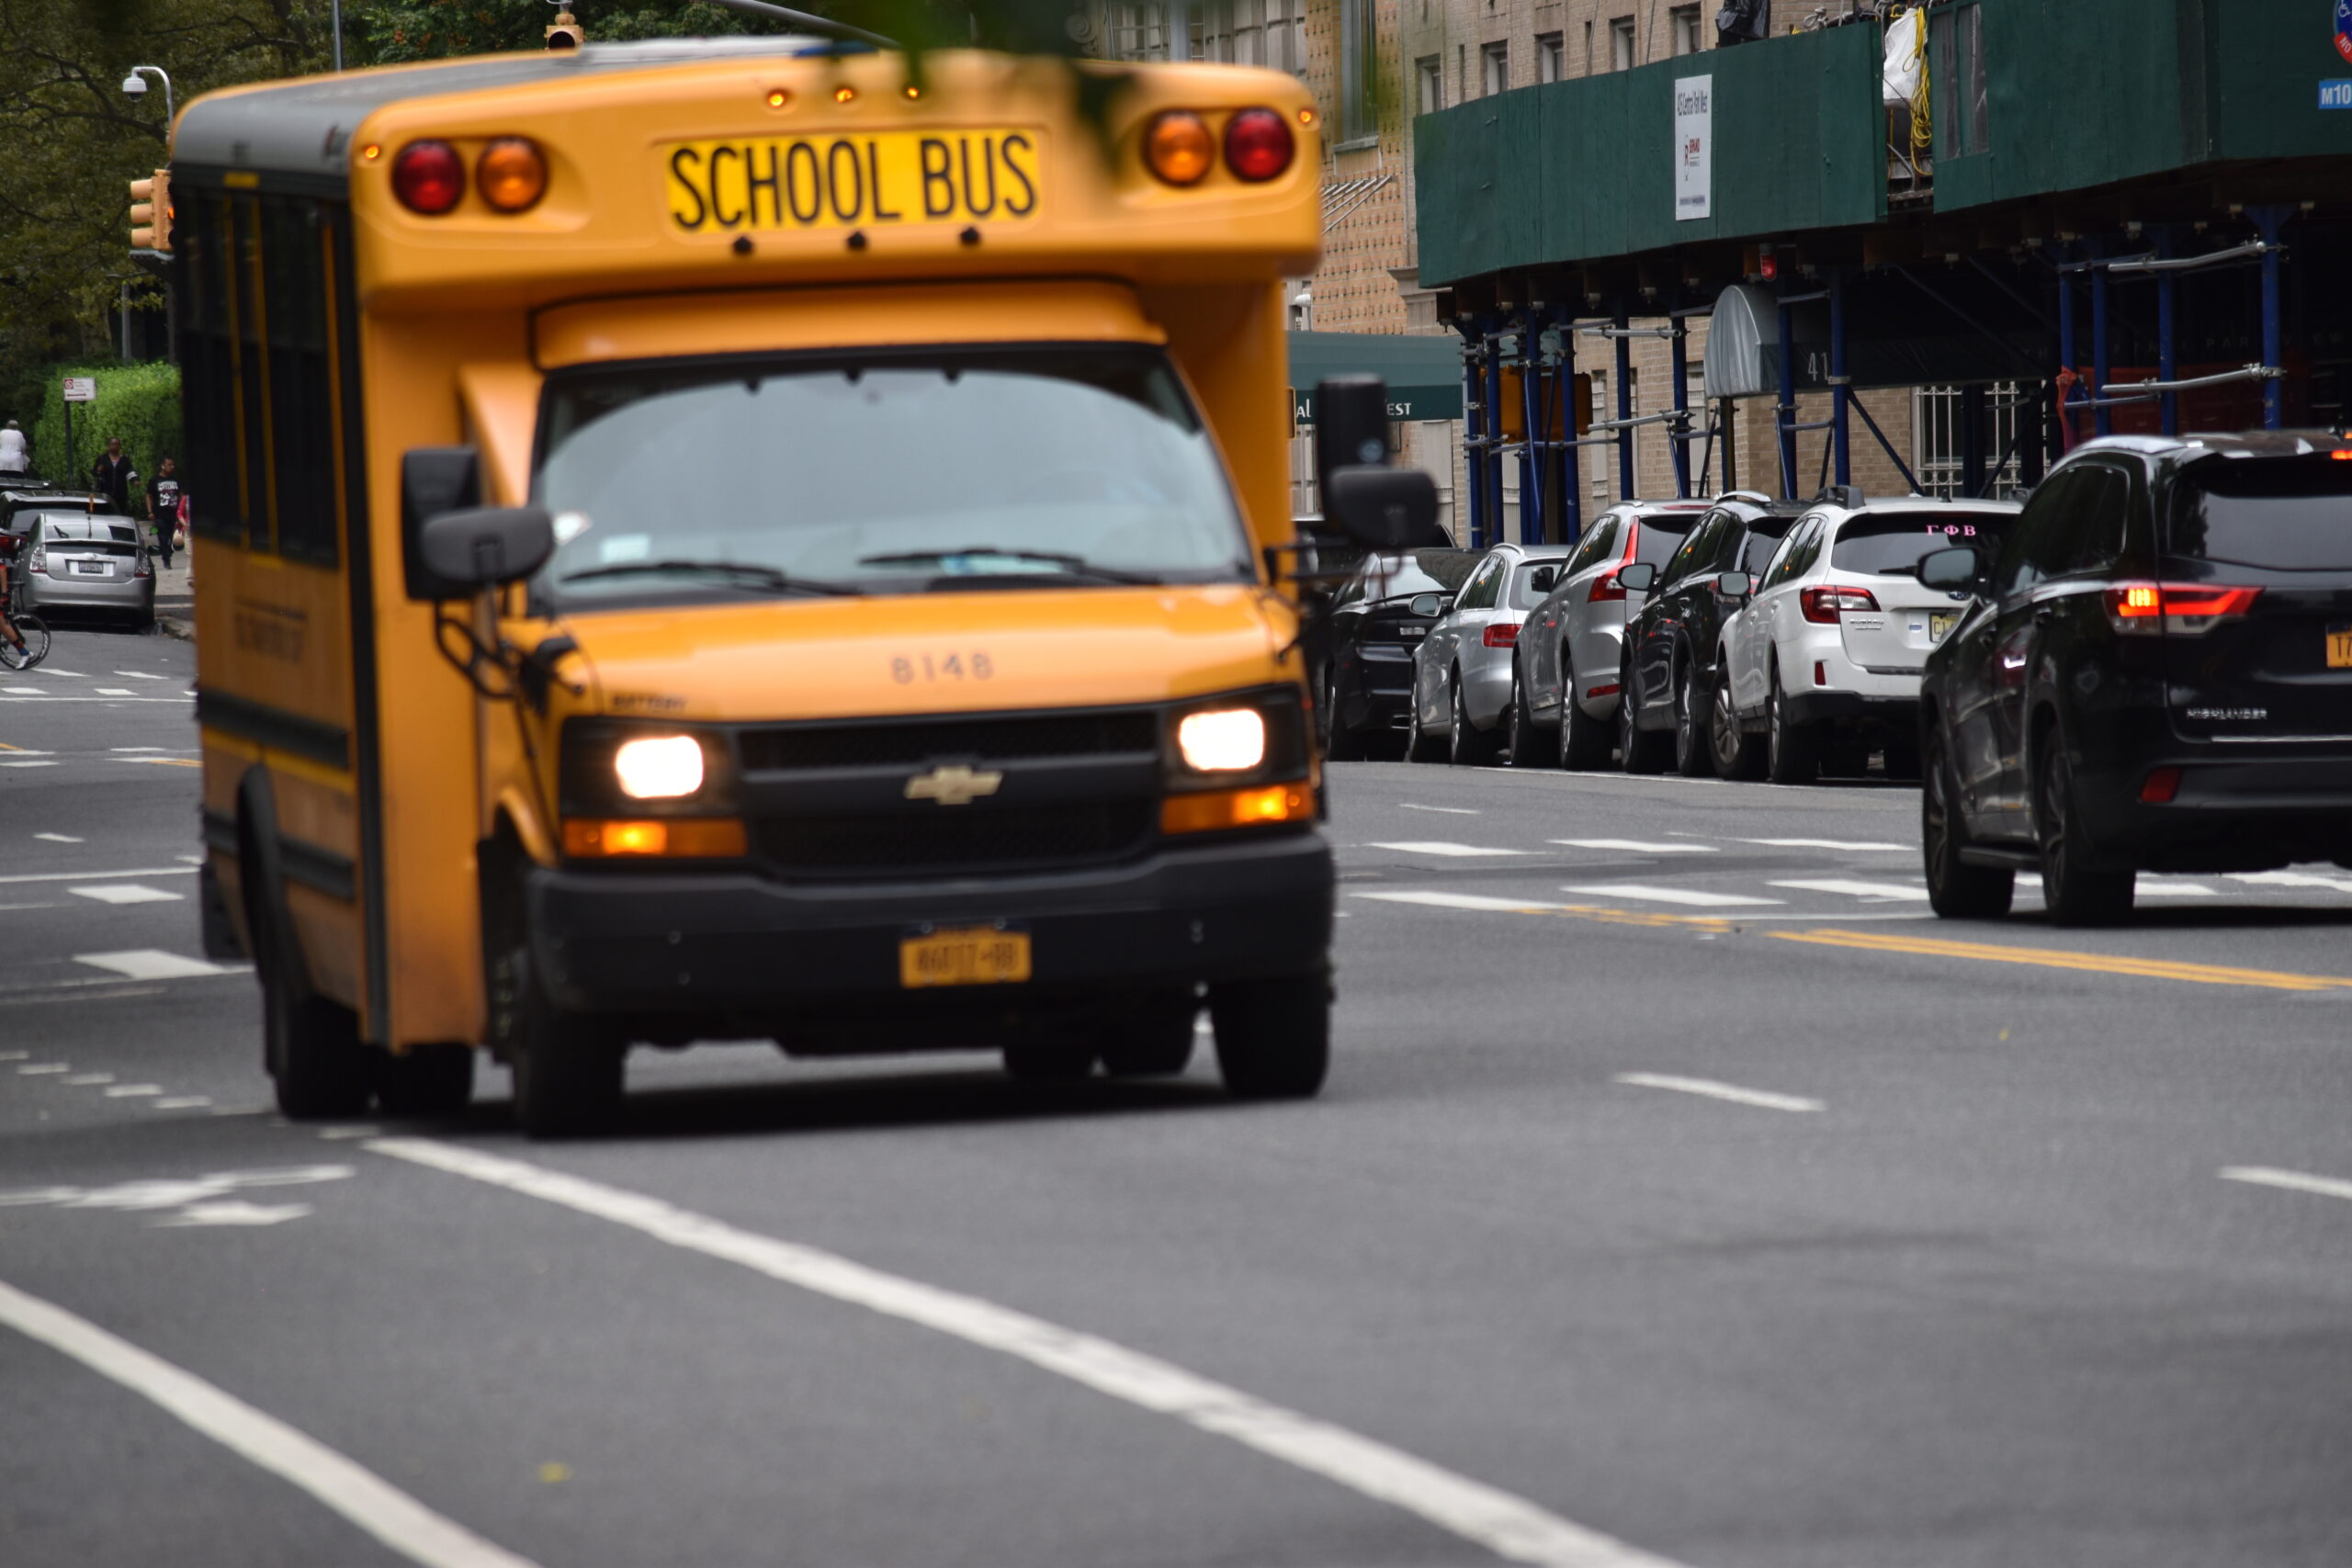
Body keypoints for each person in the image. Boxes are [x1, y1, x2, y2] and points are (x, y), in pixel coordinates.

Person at [148, 456, 182, 568]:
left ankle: (167, 551)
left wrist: (182, 511)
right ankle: (166, 560)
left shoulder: (175, 480)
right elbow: (149, 496)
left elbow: (180, 496)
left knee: (171, 537)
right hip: (160, 514)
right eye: (169, 465)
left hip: (173, 514)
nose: (172, 467)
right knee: (162, 536)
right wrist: (150, 511)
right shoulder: (154, 480)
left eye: (173, 465)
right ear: (163, 466)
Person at [91, 438, 137, 515]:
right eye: (113, 444)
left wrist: (135, 480)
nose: (115, 446)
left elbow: (129, 471)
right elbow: (94, 473)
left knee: (121, 512)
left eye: (117, 444)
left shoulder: (124, 459)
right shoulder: (103, 458)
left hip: (121, 493)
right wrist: (98, 470)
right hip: (106, 491)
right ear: (109, 446)